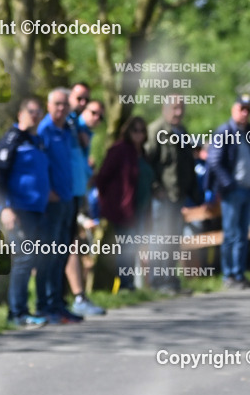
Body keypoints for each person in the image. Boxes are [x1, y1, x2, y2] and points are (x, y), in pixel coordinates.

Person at [0, 97, 50, 328]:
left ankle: (22, 310)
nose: (35, 115)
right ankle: (17, 312)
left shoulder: (36, 140)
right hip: (18, 210)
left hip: (37, 209)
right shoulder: (12, 139)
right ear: (20, 113)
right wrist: (5, 207)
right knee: (23, 259)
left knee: (31, 259)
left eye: (39, 112)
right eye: (30, 111)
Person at [145, 96, 200, 293]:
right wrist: (154, 187)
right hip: (162, 197)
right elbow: (145, 162)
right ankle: (158, 282)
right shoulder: (155, 131)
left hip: (178, 196)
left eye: (181, 108)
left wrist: (194, 192)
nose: (178, 112)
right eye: (175, 108)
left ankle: (170, 280)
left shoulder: (181, 130)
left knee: (174, 239)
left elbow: (187, 165)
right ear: (165, 108)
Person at [37, 88, 82, 323]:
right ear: (48, 105)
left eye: (65, 104)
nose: (61, 108)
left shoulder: (66, 131)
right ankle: (45, 304)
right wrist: (47, 192)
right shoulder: (44, 131)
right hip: (52, 203)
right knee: (49, 255)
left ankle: (58, 302)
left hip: (67, 199)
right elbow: (38, 166)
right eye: (57, 104)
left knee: (62, 254)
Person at [96, 115, 151, 290]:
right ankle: (125, 284)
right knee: (126, 247)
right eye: (135, 130)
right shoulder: (119, 149)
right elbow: (102, 177)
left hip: (142, 207)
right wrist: (111, 201)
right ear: (128, 131)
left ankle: (133, 283)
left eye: (142, 131)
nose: (138, 134)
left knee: (135, 246)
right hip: (124, 209)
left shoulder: (142, 152)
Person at [65, 85, 106, 315]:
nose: (95, 117)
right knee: (67, 244)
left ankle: (73, 297)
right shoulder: (69, 124)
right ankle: (76, 297)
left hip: (78, 192)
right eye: (80, 100)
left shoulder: (82, 132)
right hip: (65, 193)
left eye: (100, 115)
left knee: (73, 245)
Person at [207, 93, 250, 289]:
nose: (245, 113)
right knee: (231, 234)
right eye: (241, 108)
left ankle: (239, 274)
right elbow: (214, 162)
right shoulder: (224, 131)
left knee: (242, 235)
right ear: (234, 109)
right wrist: (229, 184)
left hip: (247, 190)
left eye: (248, 110)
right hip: (232, 191)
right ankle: (229, 275)